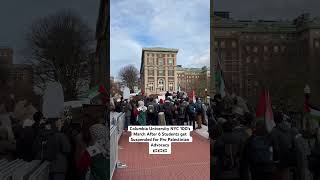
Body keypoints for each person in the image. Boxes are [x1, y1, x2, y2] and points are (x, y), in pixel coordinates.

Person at [270, 112, 297, 180]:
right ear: (282, 119)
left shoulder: (274, 131)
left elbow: (271, 145)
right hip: (288, 155)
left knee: (278, 175)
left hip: (278, 157)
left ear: (274, 120)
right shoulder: (289, 129)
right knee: (286, 174)